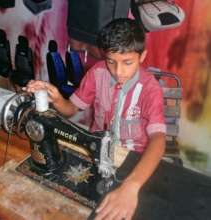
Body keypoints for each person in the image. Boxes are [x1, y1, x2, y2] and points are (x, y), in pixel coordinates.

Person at [25, 18, 166, 220]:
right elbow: (71, 109)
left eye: (127, 63)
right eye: (111, 61)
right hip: (99, 152)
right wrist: (56, 98)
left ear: (142, 56)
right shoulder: (97, 73)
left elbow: (158, 139)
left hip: (134, 161)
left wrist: (131, 186)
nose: (118, 72)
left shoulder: (150, 90)